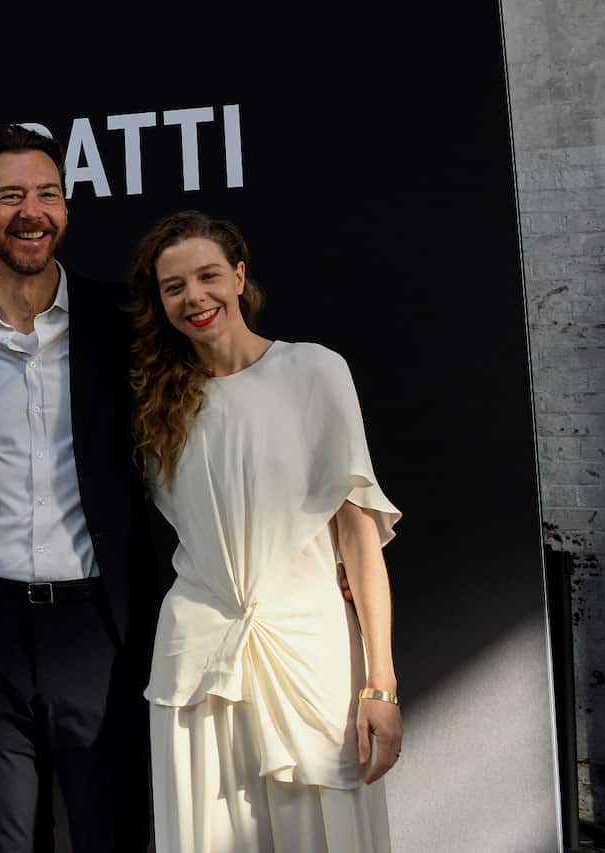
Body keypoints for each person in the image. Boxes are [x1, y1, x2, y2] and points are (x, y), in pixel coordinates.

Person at [128, 210, 403, 852]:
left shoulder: (314, 372)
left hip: (312, 655)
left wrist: (381, 683)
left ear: (240, 276)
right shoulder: (154, 402)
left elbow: (360, 542)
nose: (194, 297)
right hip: (197, 658)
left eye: (208, 276)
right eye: (174, 287)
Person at [0, 124, 156, 852]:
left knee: (109, 835)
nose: (31, 211)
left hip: (99, 631)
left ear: (65, 207)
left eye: (47, 194)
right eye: (10, 196)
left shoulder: (124, 324)